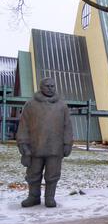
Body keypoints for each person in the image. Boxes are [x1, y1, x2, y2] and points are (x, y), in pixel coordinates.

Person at [16, 77, 73, 208]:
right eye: (47, 86)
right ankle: (33, 197)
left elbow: (67, 126)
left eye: (52, 86)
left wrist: (67, 143)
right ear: (41, 87)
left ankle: (49, 198)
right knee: (33, 174)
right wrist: (23, 144)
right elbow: (23, 125)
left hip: (55, 148)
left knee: (52, 175)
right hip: (35, 147)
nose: (50, 88)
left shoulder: (62, 106)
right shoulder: (30, 105)